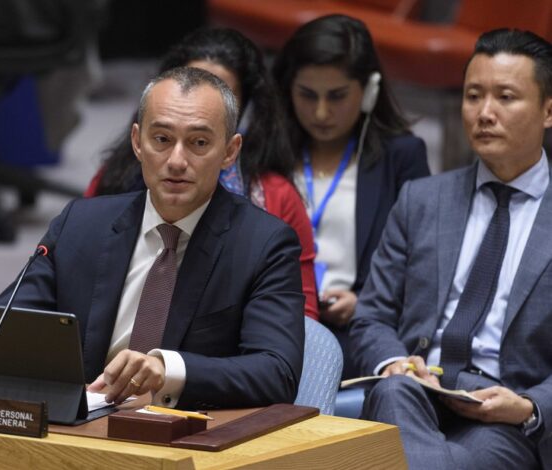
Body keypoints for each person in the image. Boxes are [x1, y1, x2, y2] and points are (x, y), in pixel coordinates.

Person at [0, 66, 305, 409]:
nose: (176, 161)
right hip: (80, 421)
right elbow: (0, 330)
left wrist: (168, 369)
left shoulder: (264, 245)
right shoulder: (81, 224)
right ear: (137, 142)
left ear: (230, 151)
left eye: (199, 143)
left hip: (184, 428)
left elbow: (277, 373)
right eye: (162, 139)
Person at [350, 28, 552, 468]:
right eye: (473, 96)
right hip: (415, 393)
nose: (485, 113)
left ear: (548, 110)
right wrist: (393, 362)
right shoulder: (422, 200)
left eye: (505, 97)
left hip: (504, 416)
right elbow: (372, 315)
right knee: (393, 391)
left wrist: (530, 406)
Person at [85, 28, 319, 320]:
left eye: (218, 91)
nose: (177, 161)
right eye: (187, 84)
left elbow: (300, 318)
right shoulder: (112, 182)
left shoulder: (275, 199)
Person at [272, 14, 430, 376]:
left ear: (369, 92)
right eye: (307, 95)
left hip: (359, 331)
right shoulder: (266, 153)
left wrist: (365, 303)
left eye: (337, 96)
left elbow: (424, 262)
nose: (321, 112)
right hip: (274, 326)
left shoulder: (401, 157)